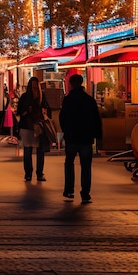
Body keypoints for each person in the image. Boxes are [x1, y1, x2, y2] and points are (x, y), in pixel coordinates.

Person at [59, 73, 102, 204]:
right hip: (86, 138)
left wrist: (66, 131)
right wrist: (96, 135)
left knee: (69, 164)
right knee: (86, 166)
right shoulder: (89, 100)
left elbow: (62, 118)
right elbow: (96, 119)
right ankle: (85, 193)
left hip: (72, 137)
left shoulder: (68, 100)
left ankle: (69, 190)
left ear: (71, 84)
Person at [17, 76, 51, 182]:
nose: (35, 88)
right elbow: (20, 112)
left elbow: (47, 110)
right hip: (28, 127)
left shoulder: (41, 97)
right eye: (34, 86)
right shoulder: (25, 97)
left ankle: (38, 173)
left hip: (38, 126)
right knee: (28, 150)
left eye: (37, 86)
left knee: (39, 150)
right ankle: (29, 173)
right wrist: (28, 111)